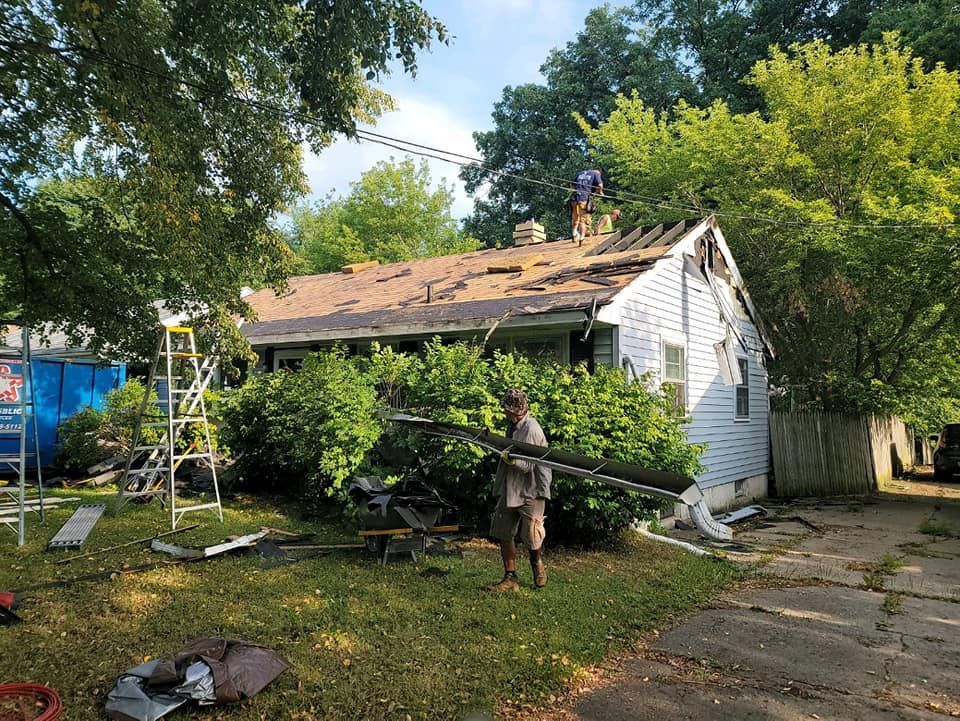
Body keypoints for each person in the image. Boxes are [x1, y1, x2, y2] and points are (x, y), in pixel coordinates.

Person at [490, 388, 552, 591]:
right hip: (511, 485)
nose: (504, 413)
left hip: (532, 489)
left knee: (532, 536)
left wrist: (510, 458)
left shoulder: (532, 429)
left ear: (516, 410)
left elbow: (527, 466)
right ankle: (510, 577)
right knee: (504, 531)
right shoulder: (513, 425)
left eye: (506, 410)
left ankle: (536, 562)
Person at [570, 165, 603, 245]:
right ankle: (582, 237)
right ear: (598, 171)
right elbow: (600, 185)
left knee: (575, 216)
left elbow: (572, 185)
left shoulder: (580, 173)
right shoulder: (596, 173)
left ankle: (574, 234)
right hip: (584, 199)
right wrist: (600, 192)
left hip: (574, 198)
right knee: (584, 219)